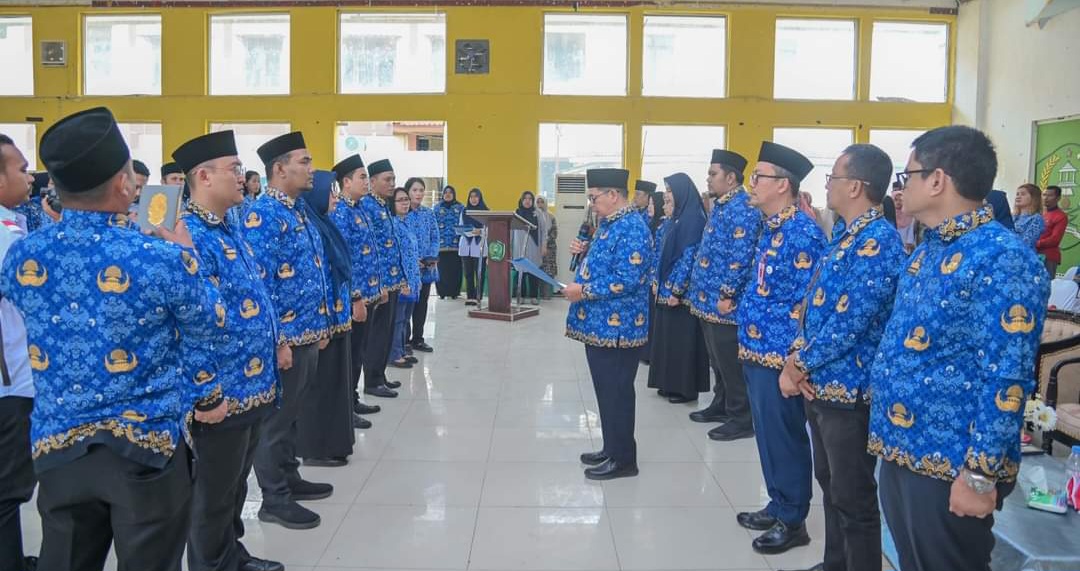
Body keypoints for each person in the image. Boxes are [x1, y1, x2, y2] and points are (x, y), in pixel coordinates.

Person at [1, 107, 227, 570]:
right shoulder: (160, 256)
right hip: (146, 452)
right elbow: (212, 322)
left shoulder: (23, 254)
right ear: (125, 183)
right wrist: (187, 254)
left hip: (58, 449)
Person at [870, 126, 1049, 571]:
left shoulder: (1001, 257)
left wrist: (980, 474)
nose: (899, 187)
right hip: (901, 446)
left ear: (937, 180)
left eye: (905, 175)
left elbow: (1007, 374)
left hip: (951, 463)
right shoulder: (928, 251)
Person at [780, 144, 905, 571]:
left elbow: (849, 323)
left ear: (855, 186)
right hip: (821, 383)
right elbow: (816, 308)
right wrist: (798, 357)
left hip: (848, 392)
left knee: (854, 498)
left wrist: (798, 365)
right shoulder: (845, 235)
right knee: (830, 484)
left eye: (833, 177)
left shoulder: (878, 241)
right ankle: (836, 563)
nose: (827, 185)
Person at [172, 130, 283, 571]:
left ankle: (230, 556)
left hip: (251, 383)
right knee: (214, 495)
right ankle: (211, 565)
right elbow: (191, 325)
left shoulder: (228, 225)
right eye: (234, 169)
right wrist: (207, 395)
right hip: (221, 392)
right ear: (202, 176)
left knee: (235, 486)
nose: (242, 177)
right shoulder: (190, 233)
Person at [736, 141, 826, 555]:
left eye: (760, 176)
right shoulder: (771, 227)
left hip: (779, 358)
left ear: (783, 185)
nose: (752, 183)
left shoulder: (802, 233)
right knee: (767, 435)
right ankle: (778, 502)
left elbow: (808, 302)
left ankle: (794, 520)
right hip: (755, 349)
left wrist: (796, 359)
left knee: (786, 436)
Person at [245, 131, 335, 530]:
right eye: (304, 161)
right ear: (279, 170)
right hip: (285, 340)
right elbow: (260, 284)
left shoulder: (298, 210)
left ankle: (290, 477)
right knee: (275, 422)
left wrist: (321, 324)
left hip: (307, 332)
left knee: (292, 415)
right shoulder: (263, 214)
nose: (311, 168)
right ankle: (273, 498)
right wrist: (278, 340)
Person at [565, 168, 652, 481]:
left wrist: (583, 290)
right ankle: (612, 447)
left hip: (619, 328)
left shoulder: (632, 227)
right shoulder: (609, 224)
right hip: (601, 325)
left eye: (594, 198)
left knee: (617, 392)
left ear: (613, 195)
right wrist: (586, 252)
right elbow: (611, 263)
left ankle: (624, 459)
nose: (592, 204)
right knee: (606, 391)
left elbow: (627, 279)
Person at [687, 149, 760, 441]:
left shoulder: (743, 207)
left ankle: (741, 417)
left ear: (731, 178)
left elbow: (740, 257)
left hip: (725, 301)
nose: (708, 179)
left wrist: (729, 292)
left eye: (713, 174)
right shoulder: (721, 205)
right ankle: (721, 404)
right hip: (707, 299)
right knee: (717, 360)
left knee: (730, 361)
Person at [296, 170, 359, 467]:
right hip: (324, 321)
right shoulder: (313, 229)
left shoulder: (324, 225)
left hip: (339, 317)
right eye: (329, 192)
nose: (334, 198)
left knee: (337, 384)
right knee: (321, 389)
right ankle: (317, 448)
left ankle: (335, 444)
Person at [0, 134, 37, 571]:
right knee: (8, 489)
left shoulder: (11, 222)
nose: (29, 176)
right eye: (21, 168)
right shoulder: (5, 234)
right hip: (9, 379)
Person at [647, 173, 709, 403]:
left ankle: (683, 389)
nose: (667, 195)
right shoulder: (676, 219)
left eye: (671, 191)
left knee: (681, 342)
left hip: (679, 295)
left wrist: (676, 290)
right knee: (667, 341)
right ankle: (667, 384)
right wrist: (657, 282)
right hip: (665, 290)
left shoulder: (694, 219)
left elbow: (689, 257)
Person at [330, 154, 381, 429]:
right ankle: (344, 409)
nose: (366, 182)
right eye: (362, 177)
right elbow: (345, 260)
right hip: (354, 298)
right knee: (349, 356)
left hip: (369, 293)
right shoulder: (340, 212)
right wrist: (356, 297)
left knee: (359, 351)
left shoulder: (360, 209)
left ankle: (353, 399)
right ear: (345, 182)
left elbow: (370, 254)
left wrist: (378, 287)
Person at [356, 159, 407, 398]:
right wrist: (381, 282)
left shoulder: (382, 205)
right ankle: (373, 380)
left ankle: (380, 374)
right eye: (387, 179)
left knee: (386, 330)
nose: (392, 184)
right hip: (380, 282)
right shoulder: (366, 206)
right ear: (372, 181)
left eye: (393, 179)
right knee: (377, 332)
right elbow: (371, 248)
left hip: (392, 278)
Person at [405, 177, 439, 353]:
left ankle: (418, 338)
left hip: (426, 267)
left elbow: (435, 236)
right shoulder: (402, 214)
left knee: (423, 303)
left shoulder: (428, 213)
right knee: (407, 304)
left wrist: (431, 256)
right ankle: (404, 341)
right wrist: (413, 260)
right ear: (408, 192)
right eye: (415, 190)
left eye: (421, 190)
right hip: (409, 268)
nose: (418, 194)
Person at [390, 187, 420, 369]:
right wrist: (403, 282)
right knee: (398, 319)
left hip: (412, 279)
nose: (405, 203)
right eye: (400, 200)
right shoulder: (393, 224)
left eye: (406, 200)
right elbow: (395, 255)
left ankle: (401, 350)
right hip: (401, 281)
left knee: (405, 319)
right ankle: (394, 354)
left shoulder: (406, 223)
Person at [512, 190, 549, 305]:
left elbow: (544, 231)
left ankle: (533, 296)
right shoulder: (516, 213)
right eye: (525, 198)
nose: (527, 201)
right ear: (521, 200)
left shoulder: (538, 213)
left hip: (534, 247)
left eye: (530, 199)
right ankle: (521, 296)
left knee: (533, 272)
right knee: (521, 272)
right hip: (519, 247)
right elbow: (511, 231)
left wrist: (544, 246)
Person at [434, 185, 465, 299]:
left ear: (454, 194)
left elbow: (464, 224)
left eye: (450, 192)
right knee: (442, 270)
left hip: (456, 245)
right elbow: (433, 226)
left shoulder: (461, 208)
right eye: (445, 192)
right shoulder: (437, 208)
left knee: (455, 270)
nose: (448, 194)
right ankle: (442, 292)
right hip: (441, 246)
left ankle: (454, 292)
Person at [460, 188, 488, 305]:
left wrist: (480, 232)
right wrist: (469, 231)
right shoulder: (464, 211)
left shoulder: (486, 211)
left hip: (479, 246)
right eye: (471, 196)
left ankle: (478, 296)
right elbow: (461, 227)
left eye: (476, 196)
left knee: (479, 272)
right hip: (466, 245)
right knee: (468, 273)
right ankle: (470, 296)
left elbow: (489, 230)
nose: (473, 199)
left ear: (480, 198)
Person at [1038, 185, 1067, 276]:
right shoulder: (1038, 213)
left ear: (1058, 198)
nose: (1046, 198)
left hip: (1048, 256)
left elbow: (1054, 239)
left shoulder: (1060, 216)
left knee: (1046, 285)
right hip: (1033, 253)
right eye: (1044, 195)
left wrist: (1036, 243)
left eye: (1050, 195)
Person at [536, 195, 558, 299]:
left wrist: (545, 241)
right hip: (537, 248)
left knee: (549, 271)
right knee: (538, 270)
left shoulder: (551, 216)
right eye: (538, 202)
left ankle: (547, 294)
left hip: (549, 248)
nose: (540, 204)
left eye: (542, 202)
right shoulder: (535, 216)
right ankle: (538, 294)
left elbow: (554, 233)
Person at [1012, 183, 1045, 250]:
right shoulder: (1013, 217)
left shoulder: (1036, 218)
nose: (1018, 197)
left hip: (1024, 256)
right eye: (1017, 194)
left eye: (1023, 194)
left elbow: (1027, 242)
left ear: (1033, 198)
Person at [892, 182, 919, 253]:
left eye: (900, 200)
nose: (898, 202)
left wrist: (909, 242)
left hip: (907, 245)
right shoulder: (891, 214)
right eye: (896, 200)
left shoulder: (908, 213)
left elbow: (911, 229)